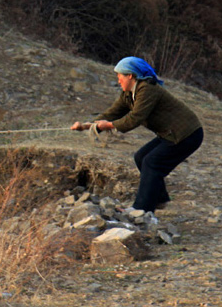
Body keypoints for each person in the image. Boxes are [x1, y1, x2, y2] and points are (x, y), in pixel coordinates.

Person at [71, 56, 204, 213]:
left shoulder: (147, 90)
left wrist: (109, 126)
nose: (118, 80)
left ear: (130, 76)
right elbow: (112, 113)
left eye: (120, 76)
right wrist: (86, 126)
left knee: (151, 162)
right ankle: (158, 199)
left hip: (186, 134)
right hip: (170, 134)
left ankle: (141, 209)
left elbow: (135, 118)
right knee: (141, 157)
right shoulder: (128, 94)